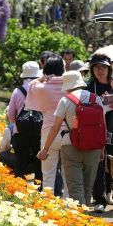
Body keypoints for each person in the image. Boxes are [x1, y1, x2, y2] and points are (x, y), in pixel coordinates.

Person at [37, 71, 103, 206]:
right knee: (87, 186)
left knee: (75, 186)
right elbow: (103, 126)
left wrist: (45, 149)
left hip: (71, 145)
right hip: (94, 148)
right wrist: (102, 148)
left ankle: (79, 218)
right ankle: (84, 218)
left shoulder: (66, 100)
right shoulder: (96, 99)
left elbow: (55, 128)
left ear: (67, 85)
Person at [25, 54, 67, 197]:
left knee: (48, 174)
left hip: (48, 133)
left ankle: (47, 203)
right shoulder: (69, 86)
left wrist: (42, 78)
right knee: (68, 175)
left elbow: (31, 85)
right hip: (69, 133)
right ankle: (69, 206)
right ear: (62, 69)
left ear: (46, 68)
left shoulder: (42, 87)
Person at [86, 53, 113, 212]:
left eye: (103, 66)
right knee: (99, 165)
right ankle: (99, 200)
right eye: (96, 67)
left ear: (109, 68)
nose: (100, 70)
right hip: (97, 131)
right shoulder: (89, 88)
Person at [7, 61, 42, 182]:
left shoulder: (17, 91)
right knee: (39, 164)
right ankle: (40, 192)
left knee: (20, 163)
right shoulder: (42, 90)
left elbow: (11, 113)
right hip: (39, 133)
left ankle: (17, 190)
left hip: (20, 133)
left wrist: (17, 124)